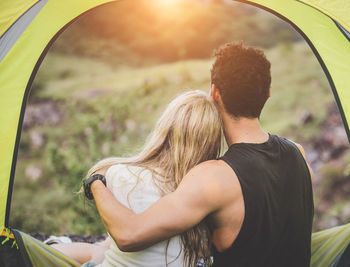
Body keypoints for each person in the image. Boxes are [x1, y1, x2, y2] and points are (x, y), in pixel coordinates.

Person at [89, 42, 314, 267]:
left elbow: (129, 235)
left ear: (214, 93)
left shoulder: (215, 178)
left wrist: (96, 182)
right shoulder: (298, 153)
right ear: (267, 95)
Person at [53, 90, 223, 267]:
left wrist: (95, 181)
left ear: (164, 129)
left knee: (97, 251)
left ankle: (49, 246)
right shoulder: (209, 195)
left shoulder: (119, 174)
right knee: (104, 247)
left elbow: (124, 235)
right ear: (212, 143)